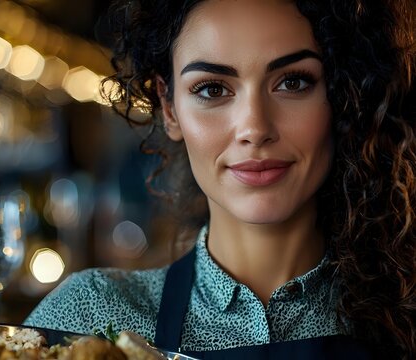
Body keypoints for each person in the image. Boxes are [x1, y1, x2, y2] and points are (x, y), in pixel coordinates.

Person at [24, 0, 415, 358]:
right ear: (169, 107)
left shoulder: (406, 315)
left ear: (343, 94)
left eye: (293, 82)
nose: (255, 128)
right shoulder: (85, 317)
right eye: (212, 89)